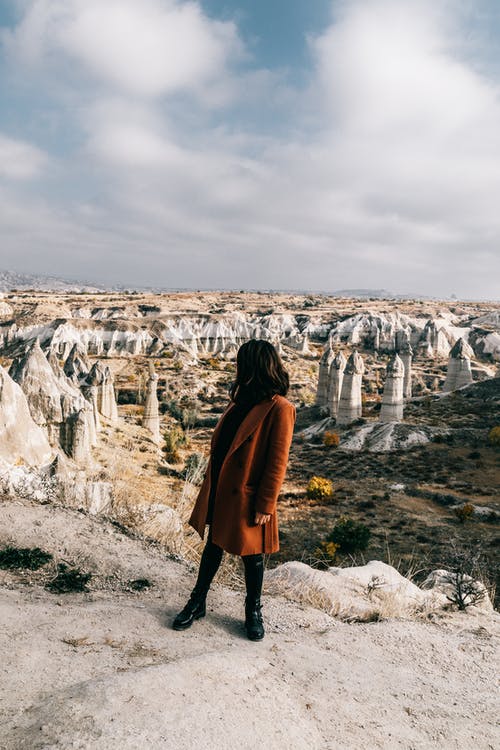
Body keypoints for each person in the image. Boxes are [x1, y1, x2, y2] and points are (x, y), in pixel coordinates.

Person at [172, 339, 296, 640]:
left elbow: (277, 462)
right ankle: (197, 601)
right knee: (213, 546)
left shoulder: (279, 408)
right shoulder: (239, 400)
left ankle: (253, 611)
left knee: (251, 556)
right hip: (221, 488)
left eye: (241, 363)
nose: (237, 368)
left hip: (247, 494)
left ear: (254, 366)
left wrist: (266, 504)